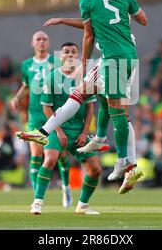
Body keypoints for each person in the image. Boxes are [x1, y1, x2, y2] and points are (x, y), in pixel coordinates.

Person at [17, 0, 146, 194]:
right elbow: (142, 20)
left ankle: (127, 162)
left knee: (119, 112)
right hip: (118, 58)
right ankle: (60, 133)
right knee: (82, 93)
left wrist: (84, 63)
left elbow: (89, 33)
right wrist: (63, 21)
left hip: (116, 60)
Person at [32, 42, 101, 215]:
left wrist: (85, 133)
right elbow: (46, 107)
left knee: (95, 169)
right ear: (61, 56)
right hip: (58, 130)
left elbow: (91, 108)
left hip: (79, 132)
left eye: (74, 52)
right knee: (49, 159)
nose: (70, 55)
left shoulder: (85, 78)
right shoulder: (52, 77)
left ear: (78, 55)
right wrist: (59, 131)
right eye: (66, 52)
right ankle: (37, 202)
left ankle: (82, 205)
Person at [10, 31, 72, 210]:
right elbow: (26, 86)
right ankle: (37, 196)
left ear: (49, 43)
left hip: (54, 113)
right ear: (32, 43)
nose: (42, 42)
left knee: (60, 154)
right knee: (36, 154)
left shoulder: (56, 61)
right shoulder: (27, 65)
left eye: (45, 39)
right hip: (35, 115)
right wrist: (16, 98)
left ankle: (66, 186)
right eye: (38, 39)